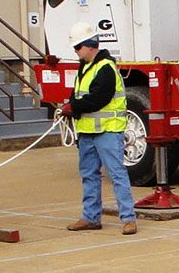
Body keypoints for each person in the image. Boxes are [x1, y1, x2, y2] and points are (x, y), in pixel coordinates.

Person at [60, 21, 137, 235]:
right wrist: (70, 107)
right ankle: (91, 217)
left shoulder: (105, 68)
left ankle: (128, 218)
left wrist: (72, 107)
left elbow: (99, 98)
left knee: (116, 174)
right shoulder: (85, 67)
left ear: (90, 45)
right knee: (89, 174)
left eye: (78, 47)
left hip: (108, 130)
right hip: (87, 131)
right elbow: (78, 95)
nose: (76, 52)